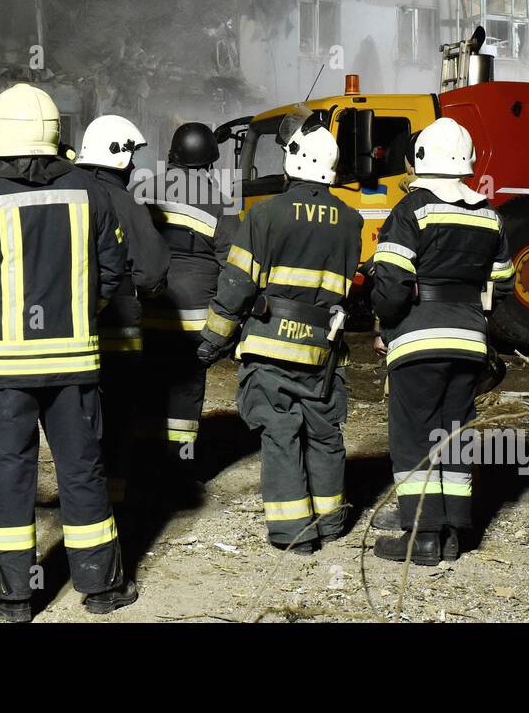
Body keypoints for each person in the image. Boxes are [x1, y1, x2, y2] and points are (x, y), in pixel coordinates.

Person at [0, 83, 136, 622]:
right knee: (82, 470)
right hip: (74, 364)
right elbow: (114, 271)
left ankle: (13, 597)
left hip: (4, 370)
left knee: (8, 474)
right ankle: (101, 589)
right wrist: (79, 315)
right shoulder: (92, 193)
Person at [198, 118, 362, 553]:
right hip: (324, 349)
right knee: (325, 431)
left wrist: (212, 341)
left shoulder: (265, 215)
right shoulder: (351, 221)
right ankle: (330, 520)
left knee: (281, 431)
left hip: (271, 346)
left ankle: (294, 532)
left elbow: (236, 285)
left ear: (291, 163)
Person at [369, 118, 514, 565]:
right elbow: (504, 284)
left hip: (418, 339)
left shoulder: (412, 211)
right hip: (469, 340)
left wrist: (385, 326)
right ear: (467, 162)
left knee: (414, 437)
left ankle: (423, 536)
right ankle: (453, 532)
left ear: (423, 161)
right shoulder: (490, 215)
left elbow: (391, 287)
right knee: (452, 434)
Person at [75, 114, 170, 506]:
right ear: (118, 157)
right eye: (130, 157)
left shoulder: (62, 189)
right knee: (115, 417)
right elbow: (150, 272)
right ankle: (113, 501)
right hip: (118, 333)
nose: (133, 166)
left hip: (66, 333)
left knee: (75, 418)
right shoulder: (126, 205)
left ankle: (80, 496)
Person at [139, 122, 237, 485]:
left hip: (146, 315)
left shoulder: (144, 192)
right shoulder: (221, 203)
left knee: (148, 390)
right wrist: (226, 329)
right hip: (194, 325)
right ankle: (179, 471)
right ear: (210, 160)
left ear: (173, 155)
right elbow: (235, 267)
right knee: (185, 394)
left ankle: (143, 466)